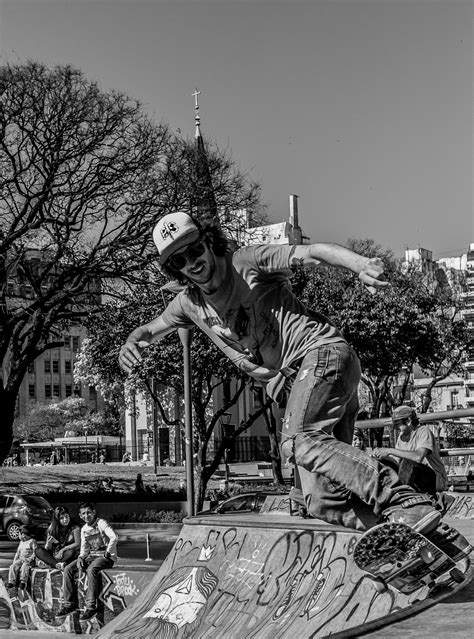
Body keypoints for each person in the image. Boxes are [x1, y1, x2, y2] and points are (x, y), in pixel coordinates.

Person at [118, 211, 441, 533]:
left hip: (322, 356)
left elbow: (312, 253)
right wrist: (132, 341)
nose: (192, 263)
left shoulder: (245, 262)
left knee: (298, 440)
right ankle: (408, 535)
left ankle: (401, 499)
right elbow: (150, 329)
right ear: (174, 269)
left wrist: (359, 265)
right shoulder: (188, 302)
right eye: (179, 261)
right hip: (305, 385)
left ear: (208, 242)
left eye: (195, 250)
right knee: (320, 499)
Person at [56, 502, 117, 621]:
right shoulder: (84, 529)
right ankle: (69, 605)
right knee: (68, 568)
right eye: (83, 513)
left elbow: (114, 537)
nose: (86, 515)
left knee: (91, 569)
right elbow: (84, 550)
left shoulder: (101, 523)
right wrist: (80, 558)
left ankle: (91, 606)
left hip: (106, 558)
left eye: (89, 512)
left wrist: (108, 552)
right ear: (80, 515)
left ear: (94, 512)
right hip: (92, 557)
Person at [372, 405, 448, 497]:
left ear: (408, 421)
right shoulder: (401, 437)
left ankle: (403, 495)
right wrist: (382, 456)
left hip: (435, 479)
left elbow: (418, 457)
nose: (395, 427)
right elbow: (396, 462)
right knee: (386, 465)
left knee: (407, 462)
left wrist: (390, 450)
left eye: (397, 424)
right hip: (415, 479)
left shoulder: (424, 431)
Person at [35, 506, 81, 570]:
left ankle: (50, 563)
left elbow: (78, 543)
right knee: (38, 550)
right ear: (57, 519)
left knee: (71, 552)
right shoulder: (52, 529)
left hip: (66, 555)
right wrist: (48, 543)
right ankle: (56, 564)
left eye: (66, 516)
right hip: (55, 555)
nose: (65, 519)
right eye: (62, 518)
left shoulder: (75, 528)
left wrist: (63, 549)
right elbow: (48, 549)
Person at [6, 525, 37, 590]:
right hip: (21, 559)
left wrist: (30, 559)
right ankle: (11, 581)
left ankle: (23, 582)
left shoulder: (32, 541)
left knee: (24, 567)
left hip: (29, 560)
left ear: (23, 535)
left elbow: (35, 552)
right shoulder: (21, 542)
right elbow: (18, 553)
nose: (18, 536)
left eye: (19, 534)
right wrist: (14, 561)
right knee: (13, 566)